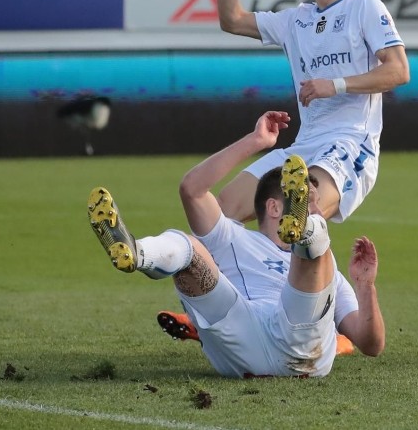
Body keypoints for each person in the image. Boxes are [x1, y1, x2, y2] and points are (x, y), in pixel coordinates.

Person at [87, 110, 385, 378]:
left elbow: (371, 344)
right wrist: (255, 141)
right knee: (186, 246)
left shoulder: (327, 270)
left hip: (299, 346)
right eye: (307, 202)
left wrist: (365, 286)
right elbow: (192, 190)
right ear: (274, 208)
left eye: (307, 202)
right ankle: (136, 253)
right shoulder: (232, 236)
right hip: (243, 335)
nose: (321, 210)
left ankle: (305, 233)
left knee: (316, 245)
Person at [208, 0, 410, 230]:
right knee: (220, 214)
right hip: (304, 146)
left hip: (350, 145)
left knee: (301, 212)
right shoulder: (294, 20)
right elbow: (232, 20)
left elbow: (398, 71)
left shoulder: (364, 7)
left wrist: (336, 85)